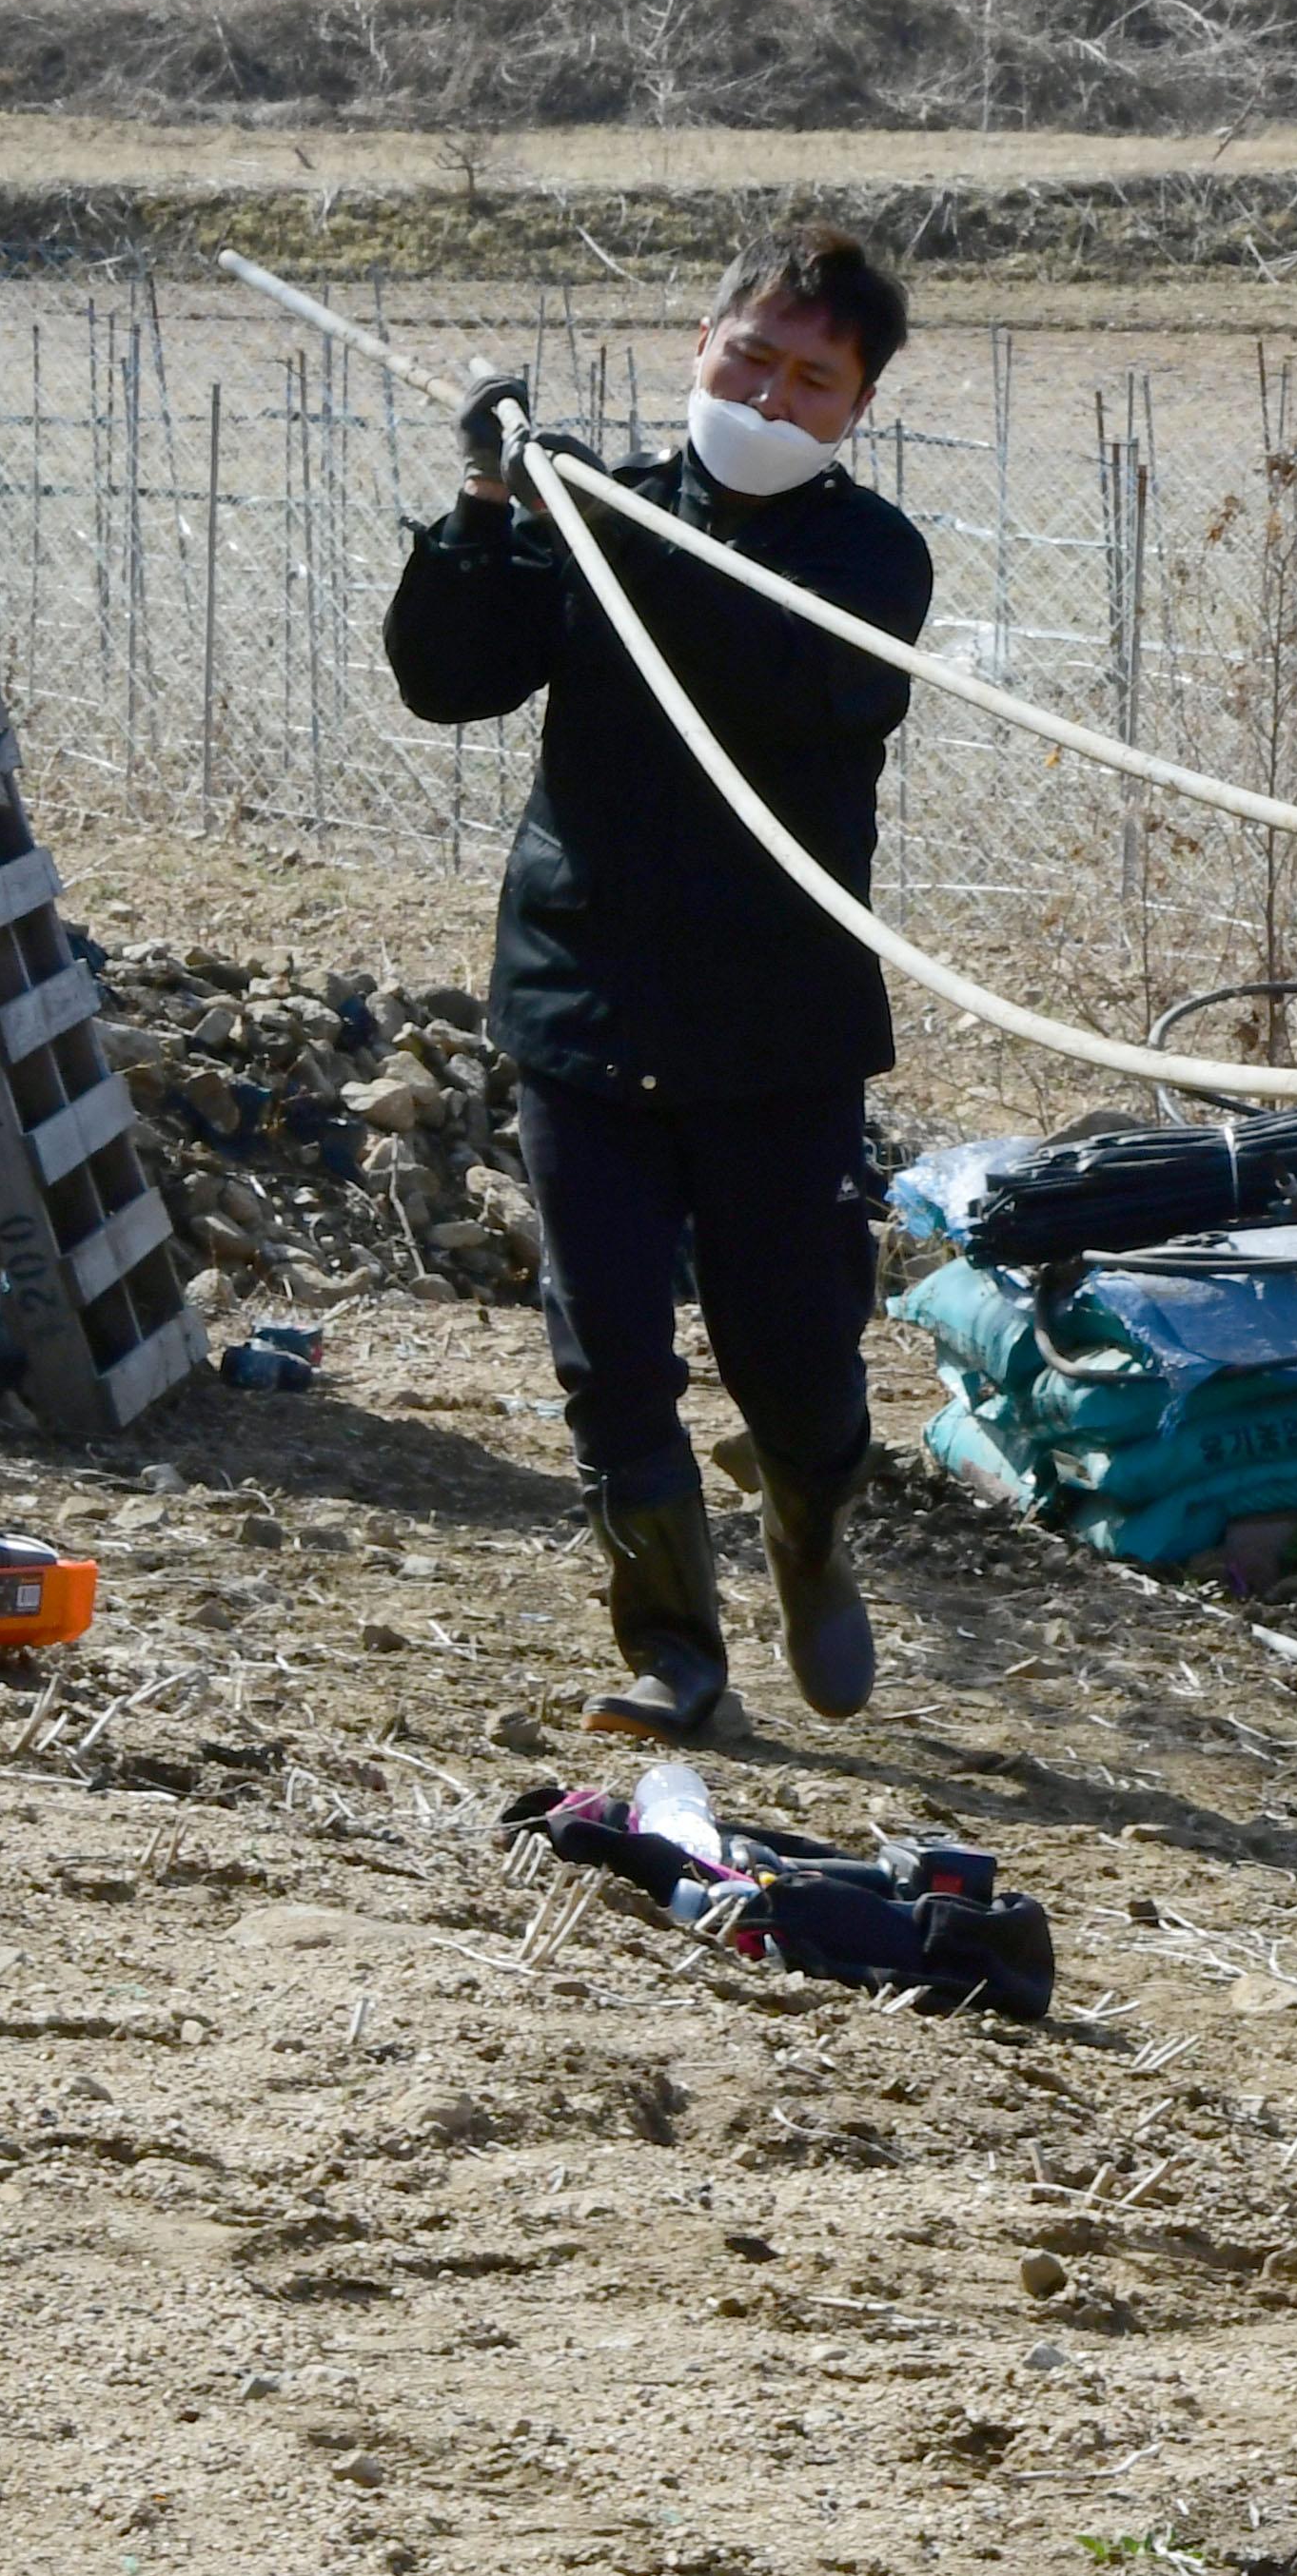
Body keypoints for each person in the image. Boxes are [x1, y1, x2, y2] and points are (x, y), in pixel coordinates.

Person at [384, 224, 935, 1744]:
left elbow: (777, 672)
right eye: (747, 356)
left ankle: (812, 1526)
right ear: (700, 345)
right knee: (610, 1349)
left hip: (776, 1027)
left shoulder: (870, 559)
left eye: (810, 378)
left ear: (854, 409)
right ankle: (673, 1654)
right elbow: (449, 678)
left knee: (790, 1354)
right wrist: (488, 504)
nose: (767, 395)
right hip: (585, 999)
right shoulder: (592, 509)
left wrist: (593, 528)